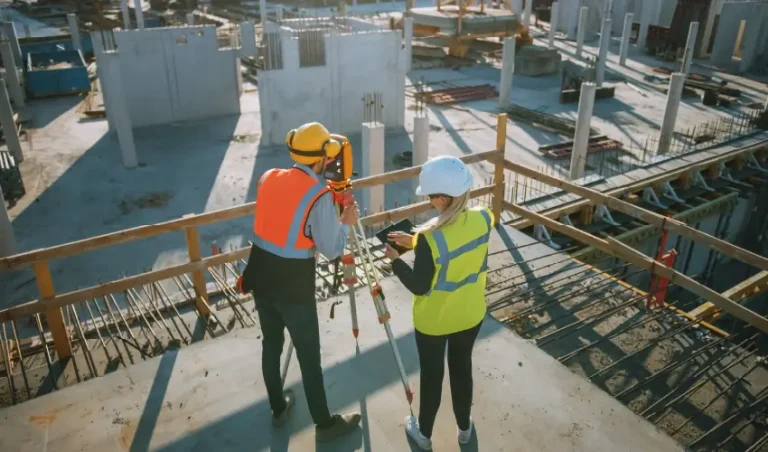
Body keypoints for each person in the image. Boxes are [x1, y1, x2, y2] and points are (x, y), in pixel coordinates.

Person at [237, 122, 362, 442]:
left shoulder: (268, 178)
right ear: (321, 159)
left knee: (271, 347)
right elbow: (332, 250)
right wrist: (345, 223)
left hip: (261, 277)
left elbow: (284, 220)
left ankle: (278, 409)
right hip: (294, 288)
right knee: (309, 359)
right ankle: (325, 423)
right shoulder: (318, 196)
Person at [383, 155, 492, 451]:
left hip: (435, 322)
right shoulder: (484, 218)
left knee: (432, 377)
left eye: (431, 196)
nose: (430, 201)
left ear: (443, 198)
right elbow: (456, 241)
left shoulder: (431, 239)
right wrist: (416, 240)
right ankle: (465, 430)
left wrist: (395, 261)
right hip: (470, 314)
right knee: (461, 369)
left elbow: (419, 285)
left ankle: (424, 435)